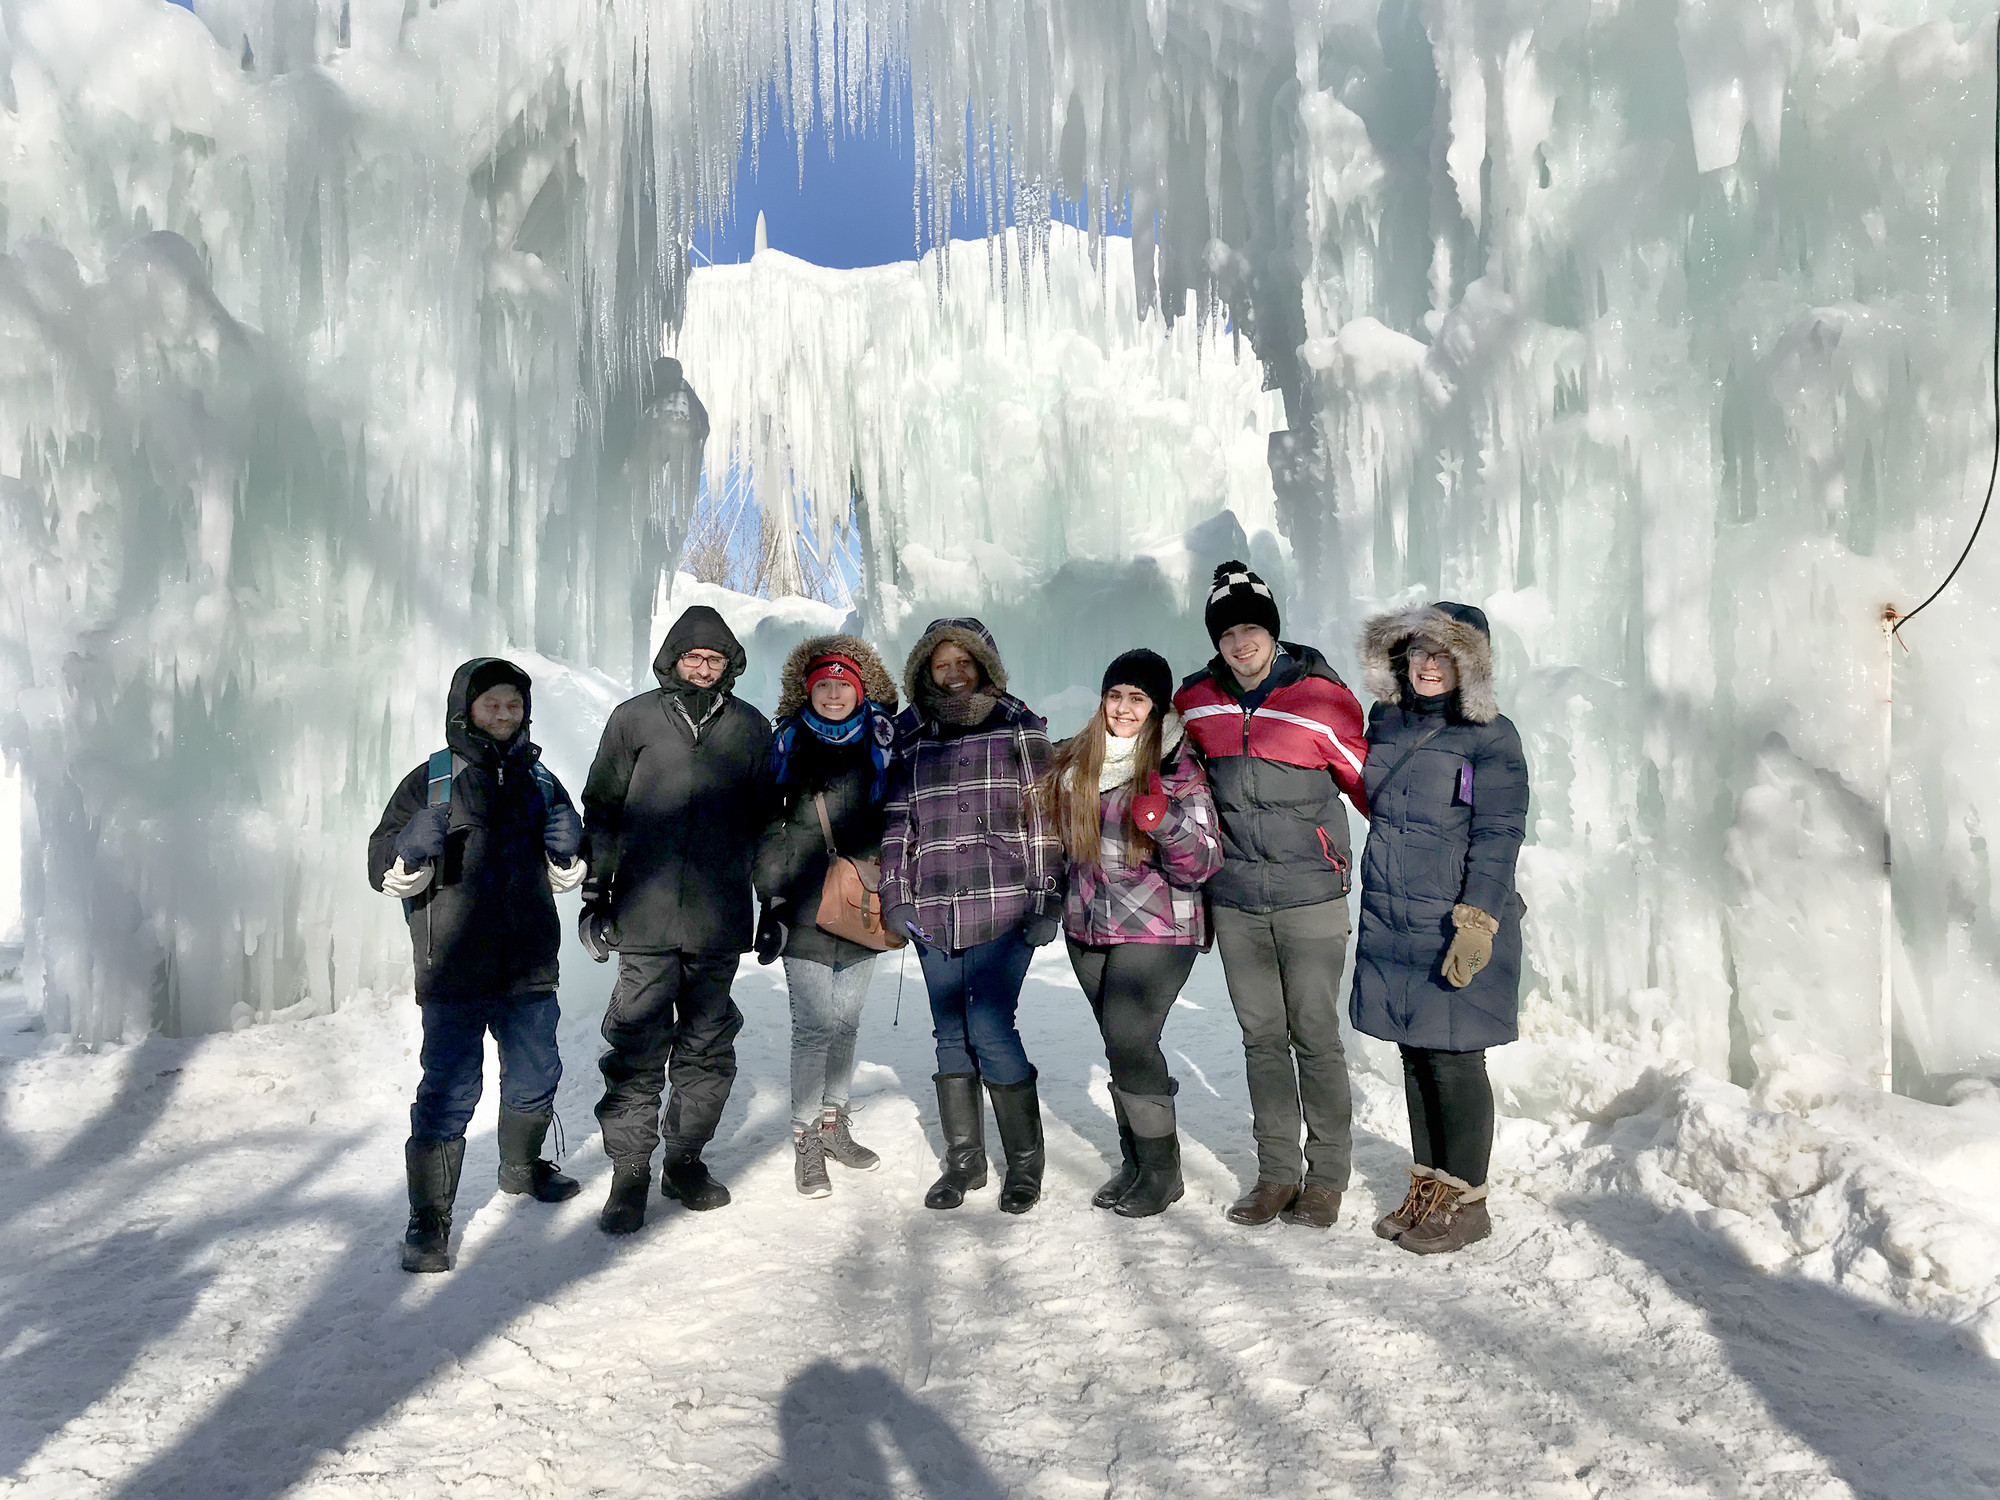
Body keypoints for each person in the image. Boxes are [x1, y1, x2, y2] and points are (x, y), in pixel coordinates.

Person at [367, 658, 588, 1274]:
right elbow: (384, 871)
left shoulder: (540, 781)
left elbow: (563, 876)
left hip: (527, 967)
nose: (503, 713)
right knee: (448, 1090)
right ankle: (430, 1217)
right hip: (454, 969)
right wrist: (407, 850)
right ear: (466, 709)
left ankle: (520, 1168)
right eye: (491, 703)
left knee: (536, 1073)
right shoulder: (430, 780)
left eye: (513, 704)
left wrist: (569, 853)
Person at [1173, 561, 1370, 1229]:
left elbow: (1372, 788)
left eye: (1253, 628)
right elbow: (1160, 770)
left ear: (1272, 632)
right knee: (1262, 1039)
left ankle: (1328, 1178)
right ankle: (1278, 1174)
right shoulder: (1194, 700)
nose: (1241, 642)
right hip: (1237, 900)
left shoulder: (1321, 698)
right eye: (1228, 633)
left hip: (1311, 895)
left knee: (1314, 1035)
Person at [579, 606, 774, 1234]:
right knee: (636, 1044)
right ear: (673, 659)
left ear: (729, 666)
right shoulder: (633, 719)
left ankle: (685, 1159)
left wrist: (770, 903)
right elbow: (602, 806)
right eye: (693, 657)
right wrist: (596, 889)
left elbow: (768, 822)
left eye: (714, 659)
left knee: (706, 1046)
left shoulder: (749, 728)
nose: (703, 667)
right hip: (644, 913)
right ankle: (630, 1169)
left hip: (718, 918)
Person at [1350, 602, 1529, 1255]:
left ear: (1470, 666)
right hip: (1394, 915)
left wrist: (1478, 919)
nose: (1429, 665)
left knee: (1455, 1059)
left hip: (1452, 917)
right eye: (1420, 652)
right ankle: (1429, 1183)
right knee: (1417, 1051)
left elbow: (1499, 833)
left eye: (1445, 655)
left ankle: (1468, 1199)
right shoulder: (1388, 722)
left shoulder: (1492, 737)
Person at [879, 618, 1064, 1215]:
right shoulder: (911, 736)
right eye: (942, 664)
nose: (953, 673)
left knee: (989, 1028)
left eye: (964, 661)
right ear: (925, 672)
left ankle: (1025, 1165)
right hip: (933, 907)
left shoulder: (1019, 725)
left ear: (984, 664)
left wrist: (1046, 899)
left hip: (1002, 905)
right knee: (949, 1033)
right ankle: (965, 1162)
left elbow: (1045, 820)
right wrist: (895, 895)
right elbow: (896, 824)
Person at [1039, 649, 1223, 1217]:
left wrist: (1162, 819)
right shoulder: (1076, 759)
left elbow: (1204, 862)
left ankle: (1163, 1173)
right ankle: (1136, 1161)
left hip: (1158, 925)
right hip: (1088, 922)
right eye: (1115, 695)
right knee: (1120, 1045)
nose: (1123, 708)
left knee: (1129, 1036)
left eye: (1137, 698)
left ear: (1156, 706)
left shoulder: (1176, 765)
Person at [752, 635, 901, 1198]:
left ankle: (835, 1123)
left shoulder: (884, 739)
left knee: (846, 1021)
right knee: (814, 1027)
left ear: (860, 689)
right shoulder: (787, 743)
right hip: (806, 904)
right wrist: (773, 901)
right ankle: (806, 1136)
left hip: (865, 901)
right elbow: (769, 829)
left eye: (843, 685)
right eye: (823, 685)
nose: (833, 694)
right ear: (806, 690)